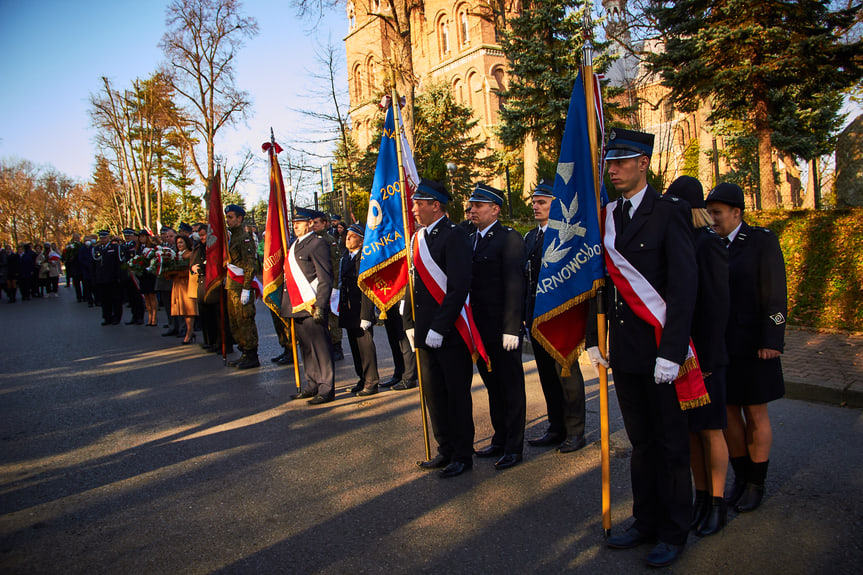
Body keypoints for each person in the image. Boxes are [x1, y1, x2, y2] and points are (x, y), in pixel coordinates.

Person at [585, 129, 697, 568]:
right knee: (641, 442)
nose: (613, 169)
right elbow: (600, 283)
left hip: (661, 349)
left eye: (622, 162)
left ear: (644, 163)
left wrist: (672, 352)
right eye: (609, 163)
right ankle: (645, 520)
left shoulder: (670, 213)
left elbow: (685, 287)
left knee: (671, 444)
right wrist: (596, 340)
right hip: (626, 352)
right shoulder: (607, 216)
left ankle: (674, 530)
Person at [706, 182, 787, 514]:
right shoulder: (710, 244)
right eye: (709, 212)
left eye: (717, 213)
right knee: (727, 413)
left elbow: (775, 291)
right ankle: (740, 477)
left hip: (755, 345)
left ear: (736, 213)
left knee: (755, 412)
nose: (712, 219)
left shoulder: (760, 242)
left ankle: (756, 482)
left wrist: (772, 339)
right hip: (724, 345)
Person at [665, 176, 731, 536]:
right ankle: (701, 497)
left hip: (705, 357)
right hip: (681, 356)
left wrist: (702, 358)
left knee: (711, 431)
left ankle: (717, 502)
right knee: (691, 433)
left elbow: (717, 309)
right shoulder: (680, 242)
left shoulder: (708, 245)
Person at [404, 178, 475, 478]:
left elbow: (458, 287)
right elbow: (414, 284)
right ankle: (444, 448)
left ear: (436, 205)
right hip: (424, 331)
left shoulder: (454, 235)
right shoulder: (418, 238)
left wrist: (440, 327)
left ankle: (462, 454)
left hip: (450, 332)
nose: (414, 208)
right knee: (433, 393)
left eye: (419, 203)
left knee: (455, 394)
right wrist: (410, 322)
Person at [524, 179, 588, 454]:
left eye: (542, 202)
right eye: (535, 202)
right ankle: (556, 426)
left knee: (567, 375)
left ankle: (575, 431)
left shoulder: (568, 236)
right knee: (547, 377)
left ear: (556, 205)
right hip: (536, 317)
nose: (536, 206)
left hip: (562, 317)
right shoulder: (530, 237)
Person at [467, 183, 527, 471]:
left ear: (495, 209)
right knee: (492, 386)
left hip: (503, 329)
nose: (472, 210)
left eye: (478, 206)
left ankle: (515, 446)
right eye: (471, 205)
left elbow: (515, 286)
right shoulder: (470, 239)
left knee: (511, 387)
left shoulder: (509, 239)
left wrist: (512, 327)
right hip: (480, 329)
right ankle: (500, 437)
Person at [282, 208, 336, 404]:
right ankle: (312, 384)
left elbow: (324, 277)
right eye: (294, 222)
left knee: (320, 347)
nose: (295, 225)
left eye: (300, 222)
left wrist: (321, 304)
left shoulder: (317, 243)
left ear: (310, 223)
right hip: (297, 305)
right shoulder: (294, 245)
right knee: (306, 348)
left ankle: (326, 388)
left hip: (312, 303)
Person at [338, 223, 381, 396]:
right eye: (347, 235)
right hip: (349, 310)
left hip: (361, 310)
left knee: (366, 348)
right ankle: (362, 378)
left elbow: (367, 288)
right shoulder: (345, 257)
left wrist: (367, 315)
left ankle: (372, 381)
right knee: (355, 347)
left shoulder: (365, 257)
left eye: (352, 236)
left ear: (362, 240)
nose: (347, 238)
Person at [224, 204, 260, 369]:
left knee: (245, 320)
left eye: (231, 217)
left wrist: (246, 288)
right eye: (227, 217)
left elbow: (250, 264)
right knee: (235, 322)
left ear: (240, 218)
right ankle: (244, 352)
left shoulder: (245, 238)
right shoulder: (232, 237)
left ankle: (251, 355)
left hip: (240, 287)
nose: (228, 220)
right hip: (232, 286)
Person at [312, 212, 344, 361]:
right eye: (312, 223)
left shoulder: (329, 240)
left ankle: (337, 346)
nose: (314, 226)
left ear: (324, 223)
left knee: (333, 318)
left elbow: (336, 264)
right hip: (316, 285)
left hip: (330, 284)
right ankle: (325, 346)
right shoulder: (312, 240)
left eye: (317, 223)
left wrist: (335, 286)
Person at [172, 234, 198, 345]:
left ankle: (189, 331)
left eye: (181, 242)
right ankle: (187, 330)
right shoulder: (175, 255)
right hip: (178, 283)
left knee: (189, 309)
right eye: (178, 243)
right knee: (182, 309)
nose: (179, 245)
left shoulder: (190, 254)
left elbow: (191, 269)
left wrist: (177, 271)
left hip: (187, 283)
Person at [93, 230, 123, 325]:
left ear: (108, 238)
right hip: (102, 278)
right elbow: (94, 264)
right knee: (105, 300)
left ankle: (116, 317)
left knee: (115, 299)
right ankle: (107, 317)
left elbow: (118, 263)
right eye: (101, 238)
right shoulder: (97, 249)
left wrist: (119, 276)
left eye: (104, 238)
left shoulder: (115, 247)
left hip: (113, 278)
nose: (103, 239)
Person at [158, 227, 180, 336]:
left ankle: (181, 328)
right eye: (167, 237)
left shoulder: (179, 247)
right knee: (168, 306)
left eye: (171, 236)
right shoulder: (162, 248)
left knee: (178, 306)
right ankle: (172, 326)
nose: (169, 238)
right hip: (164, 281)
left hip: (175, 281)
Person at [121, 228, 145, 324]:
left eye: (129, 235)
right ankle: (134, 316)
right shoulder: (123, 246)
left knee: (137, 297)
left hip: (135, 274)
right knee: (131, 297)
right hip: (127, 274)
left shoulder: (136, 246)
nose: (127, 237)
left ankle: (140, 317)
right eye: (125, 236)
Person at [136, 230, 159, 327]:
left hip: (150, 274)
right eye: (140, 237)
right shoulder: (138, 248)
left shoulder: (153, 247)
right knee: (146, 296)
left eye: (143, 236)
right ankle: (149, 316)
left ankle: (154, 316)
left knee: (152, 295)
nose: (141, 238)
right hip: (143, 275)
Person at [63, 234, 84, 301]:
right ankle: (79, 296)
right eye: (75, 238)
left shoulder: (82, 245)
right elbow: (66, 256)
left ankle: (85, 295)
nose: (77, 239)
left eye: (78, 237)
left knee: (85, 283)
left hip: (82, 266)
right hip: (74, 267)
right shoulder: (70, 247)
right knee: (77, 283)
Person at [78, 236, 95, 307]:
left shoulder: (93, 248)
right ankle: (89, 301)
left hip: (93, 270)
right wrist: (87, 265)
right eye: (86, 240)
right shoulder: (82, 249)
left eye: (89, 240)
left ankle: (97, 300)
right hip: (85, 271)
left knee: (94, 286)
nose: (87, 242)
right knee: (87, 286)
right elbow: (80, 259)